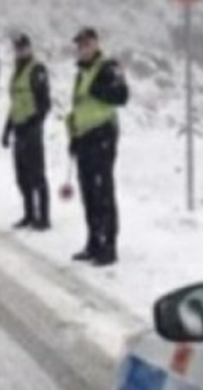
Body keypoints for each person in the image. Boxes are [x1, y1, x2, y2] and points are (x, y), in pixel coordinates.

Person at [66, 27, 129, 266]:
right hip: (84, 137)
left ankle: (109, 246)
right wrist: (73, 137)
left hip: (103, 135)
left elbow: (122, 96)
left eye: (86, 44)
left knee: (103, 192)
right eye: (79, 45)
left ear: (95, 44)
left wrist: (98, 90)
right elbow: (78, 108)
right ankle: (93, 242)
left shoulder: (108, 67)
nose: (82, 49)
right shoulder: (81, 74)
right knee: (88, 193)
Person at [2, 33, 52, 231]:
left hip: (32, 130)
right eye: (17, 48)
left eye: (23, 48)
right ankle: (29, 214)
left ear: (30, 48)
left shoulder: (36, 70)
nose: (20, 52)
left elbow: (44, 102)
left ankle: (44, 217)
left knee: (37, 175)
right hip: (19, 130)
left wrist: (36, 123)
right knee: (22, 177)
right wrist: (7, 130)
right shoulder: (16, 74)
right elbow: (14, 105)